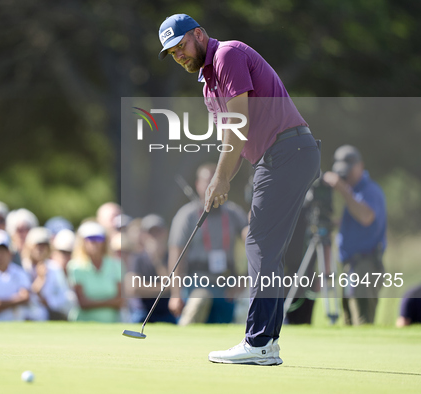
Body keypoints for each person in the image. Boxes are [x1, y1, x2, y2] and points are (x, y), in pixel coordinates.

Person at [158, 14, 321, 365]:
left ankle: (260, 342)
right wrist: (222, 179)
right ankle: (266, 343)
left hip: (287, 152)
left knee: (259, 244)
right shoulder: (207, 84)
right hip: (276, 158)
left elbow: (239, 125)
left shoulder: (227, 55)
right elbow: (228, 137)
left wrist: (221, 178)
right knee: (265, 246)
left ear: (199, 35)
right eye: (172, 53)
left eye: (181, 46)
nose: (179, 55)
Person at [168, 164, 248, 325]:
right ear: (198, 184)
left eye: (215, 180)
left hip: (227, 285)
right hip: (196, 283)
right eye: (207, 181)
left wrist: (244, 280)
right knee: (200, 299)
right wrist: (175, 294)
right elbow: (176, 256)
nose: (211, 185)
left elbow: (254, 245)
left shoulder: (233, 213)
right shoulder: (187, 215)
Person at [323, 145, 386, 325]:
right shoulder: (355, 192)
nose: (346, 176)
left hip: (365, 265)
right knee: (349, 321)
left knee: (362, 321)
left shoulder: (370, 190)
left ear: (360, 166)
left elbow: (366, 217)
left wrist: (343, 190)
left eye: (349, 171)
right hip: (351, 265)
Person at [67, 221, 122, 323]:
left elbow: (120, 301)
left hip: (111, 322)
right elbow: (83, 303)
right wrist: (110, 302)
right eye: (90, 239)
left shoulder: (116, 264)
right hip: (83, 323)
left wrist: (94, 302)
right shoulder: (75, 266)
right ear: (82, 242)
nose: (95, 242)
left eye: (99, 238)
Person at [126, 214, 176, 324]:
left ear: (165, 233)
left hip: (168, 312)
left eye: (158, 231)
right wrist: (163, 288)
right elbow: (134, 288)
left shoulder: (172, 257)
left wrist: (157, 261)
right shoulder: (137, 258)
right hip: (143, 312)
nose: (154, 236)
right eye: (150, 232)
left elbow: (173, 286)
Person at [21, 227, 70, 321]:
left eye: (44, 245)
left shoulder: (55, 268)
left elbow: (63, 295)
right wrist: (40, 279)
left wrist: (49, 302)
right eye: (38, 245)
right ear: (29, 246)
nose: (41, 249)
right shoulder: (22, 267)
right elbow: (25, 295)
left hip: (51, 315)